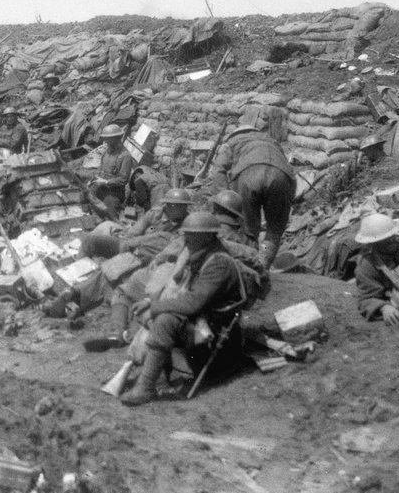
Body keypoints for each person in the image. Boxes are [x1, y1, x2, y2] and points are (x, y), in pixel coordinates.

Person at [120, 213, 248, 406]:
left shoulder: (218, 263)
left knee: (165, 320)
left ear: (207, 236)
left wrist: (155, 308)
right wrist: (149, 302)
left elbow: (192, 304)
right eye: (186, 233)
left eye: (191, 234)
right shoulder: (201, 255)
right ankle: (152, 376)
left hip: (214, 333)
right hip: (203, 324)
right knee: (162, 315)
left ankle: (145, 387)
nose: (185, 238)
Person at [211, 124, 295, 268]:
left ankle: (251, 266)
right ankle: (264, 265)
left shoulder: (231, 142)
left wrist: (225, 197)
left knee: (248, 229)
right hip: (280, 177)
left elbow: (218, 170)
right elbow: (288, 169)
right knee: (274, 230)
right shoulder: (272, 141)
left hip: (248, 176)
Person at [90, 124, 135, 219]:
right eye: (105, 139)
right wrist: (94, 179)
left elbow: (123, 180)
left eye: (108, 139)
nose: (105, 142)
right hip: (101, 189)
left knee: (110, 212)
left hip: (114, 193)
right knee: (87, 199)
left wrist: (106, 182)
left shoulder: (125, 156)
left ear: (116, 139)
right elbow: (100, 170)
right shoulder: (107, 152)